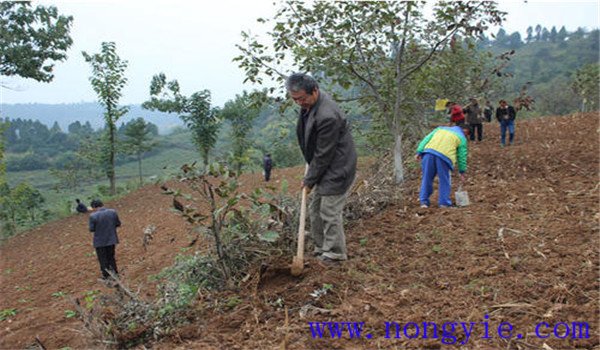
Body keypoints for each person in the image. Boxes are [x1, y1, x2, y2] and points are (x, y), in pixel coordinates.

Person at [287, 73, 357, 264]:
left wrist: (309, 180)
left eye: (302, 99)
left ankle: (335, 255)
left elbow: (324, 154)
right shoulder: (309, 105)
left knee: (329, 210)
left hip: (338, 167)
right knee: (315, 208)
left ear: (315, 91)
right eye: (295, 100)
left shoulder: (327, 116)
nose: (299, 103)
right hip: (323, 165)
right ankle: (321, 250)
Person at [415, 125, 468, 208]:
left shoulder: (439, 129)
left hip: (428, 153)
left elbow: (426, 139)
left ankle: (424, 201)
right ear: (465, 131)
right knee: (444, 179)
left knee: (426, 178)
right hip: (444, 157)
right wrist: (462, 171)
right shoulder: (461, 137)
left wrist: (419, 151)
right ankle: (444, 202)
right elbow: (462, 155)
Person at [88, 199, 121, 281]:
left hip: (100, 241)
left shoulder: (93, 216)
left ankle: (106, 276)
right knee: (111, 257)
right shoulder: (113, 212)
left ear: (94, 207)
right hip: (111, 239)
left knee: (102, 259)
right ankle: (115, 273)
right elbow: (118, 224)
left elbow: (92, 229)